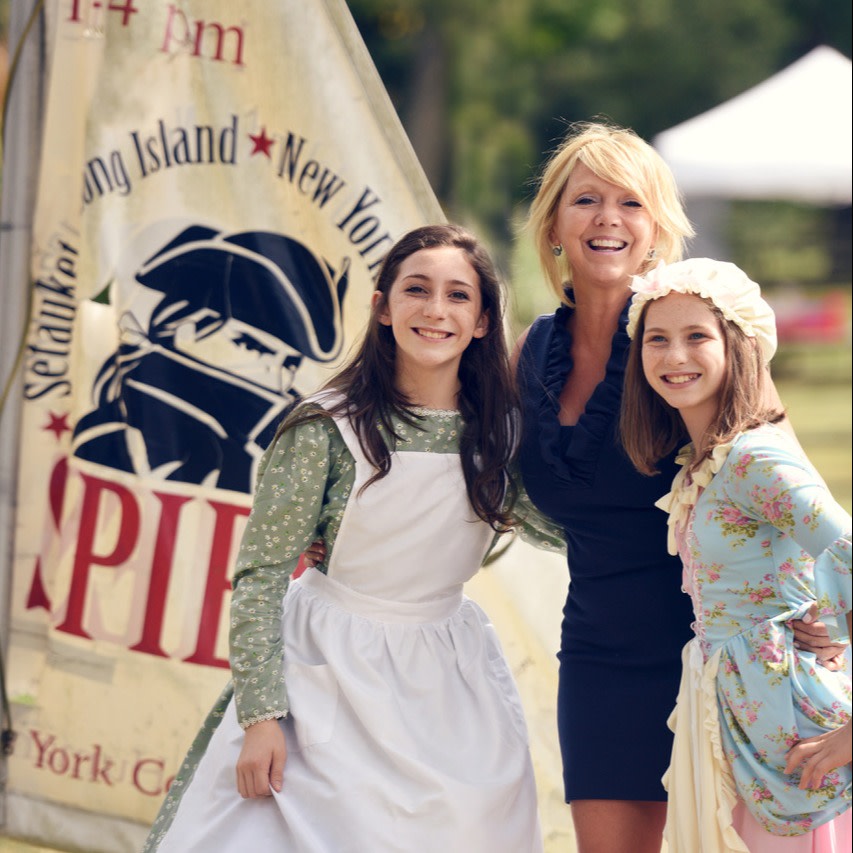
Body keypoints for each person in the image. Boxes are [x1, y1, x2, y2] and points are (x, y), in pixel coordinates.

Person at [142, 224, 563, 853]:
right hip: (328, 665)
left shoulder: (498, 438)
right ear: (382, 306)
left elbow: (564, 530)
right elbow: (259, 578)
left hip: (448, 678)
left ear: (481, 321)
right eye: (416, 290)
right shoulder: (327, 428)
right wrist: (261, 717)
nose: (435, 310)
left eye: (457, 296)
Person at [512, 120, 846, 853]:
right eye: (586, 199)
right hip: (598, 651)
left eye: (630, 202)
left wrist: (813, 607)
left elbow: (782, 483)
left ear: (658, 226)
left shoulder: (687, 340)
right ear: (554, 225)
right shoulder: (530, 352)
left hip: (723, 656)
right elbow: (504, 498)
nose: (607, 218)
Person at [620, 257, 851, 851]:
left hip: (792, 725)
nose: (675, 357)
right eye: (657, 339)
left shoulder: (754, 458)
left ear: (738, 347)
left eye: (697, 336)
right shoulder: (706, 463)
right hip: (740, 714)